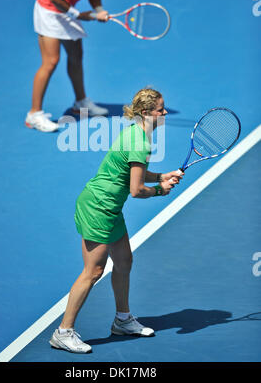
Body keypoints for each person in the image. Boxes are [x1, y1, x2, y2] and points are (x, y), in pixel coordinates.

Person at [49, 88, 184, 353]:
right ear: (146, 113)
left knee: (123, 262)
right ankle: (63, 332)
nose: (165, 112)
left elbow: (133, 173)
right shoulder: (141, 144)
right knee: (94, 272)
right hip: (99, 207)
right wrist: (160, 190)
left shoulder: (135, 133)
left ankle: (122, 320)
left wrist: (162, 176)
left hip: (109, 207)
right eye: (160, 109)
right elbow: (136, 190)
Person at [25, 0, 126, 132]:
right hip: (49, 10)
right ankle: (34, 114)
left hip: (64, 9)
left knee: (76, 56)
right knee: (51, 61)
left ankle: (81, 103)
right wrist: (79, 15)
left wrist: (99, 10)